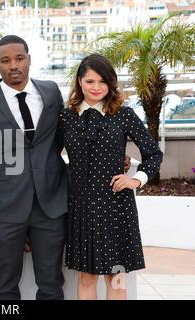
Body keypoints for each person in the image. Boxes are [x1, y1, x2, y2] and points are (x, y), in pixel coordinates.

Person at [0, 35, 68, 300]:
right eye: (5, 60)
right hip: (6, 208)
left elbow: (65, 139)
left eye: (19, 58)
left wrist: (114, 156)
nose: (14, 65)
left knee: (52, 283)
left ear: (29, 60)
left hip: (51, 205)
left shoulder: (51, 92)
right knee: (5, 284)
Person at [58, 53, 163, 300]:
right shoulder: (66, 117)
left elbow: (154, 153)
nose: (96, 88)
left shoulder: (124, 115)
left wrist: (136, 180)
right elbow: (47, 155)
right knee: (86, 277)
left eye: (103, 81)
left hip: (116, 206)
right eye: (90, 81)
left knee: (116, 278)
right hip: (81, 207)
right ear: (79, 82)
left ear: (111, 83)